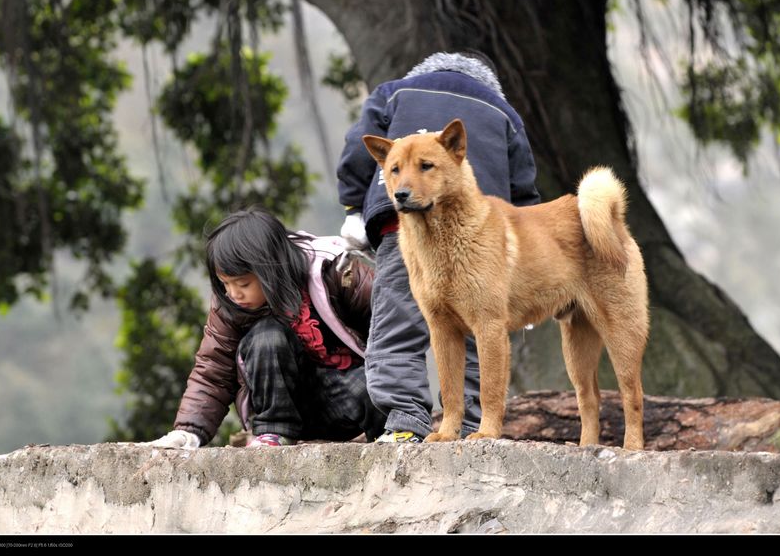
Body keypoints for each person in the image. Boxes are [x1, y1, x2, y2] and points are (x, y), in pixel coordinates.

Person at [337, 50, 540, 443]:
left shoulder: (395, 93)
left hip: (402, 225)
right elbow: (524, 190)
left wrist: (352, 206)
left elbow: (354, 149)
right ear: (487, 80)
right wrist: (527, 267)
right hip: (484, 236)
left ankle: (404, 424)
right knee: (484, 332)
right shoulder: (503, 111)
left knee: (398, 327)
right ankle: (475, 428)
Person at [143, 207, 385, 449]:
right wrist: (188, 432)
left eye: (243, 283)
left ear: (271, 269)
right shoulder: (229, 303)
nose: (233, 293)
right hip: (279, 406)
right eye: (225, 284)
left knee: (373, 384)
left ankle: (389, 437)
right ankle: (273, 436)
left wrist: (402, 409)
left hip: (346, 403)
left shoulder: (337, 270)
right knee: (268, 337)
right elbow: (212, 371)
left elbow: (393, 325)